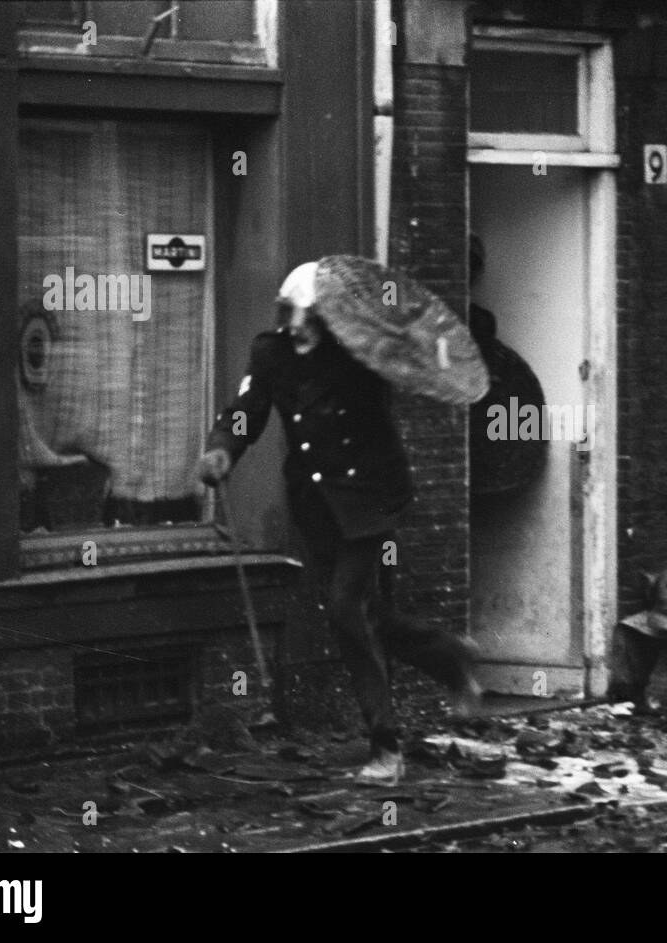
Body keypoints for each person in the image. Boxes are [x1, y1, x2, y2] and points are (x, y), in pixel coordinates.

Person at [195, 261, 482, 786]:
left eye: (302, 312)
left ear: (325, 315)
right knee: (368, 614)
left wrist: (408, 347)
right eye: (287, 311)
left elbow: (404, 361)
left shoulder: (359, 353)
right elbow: (247, 410)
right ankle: (449, 655)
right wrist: (222, 450)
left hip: (369, 498)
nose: (293, 323)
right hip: (316, 503)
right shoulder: (271, 353)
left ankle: (386, 745)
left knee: (348, 611)